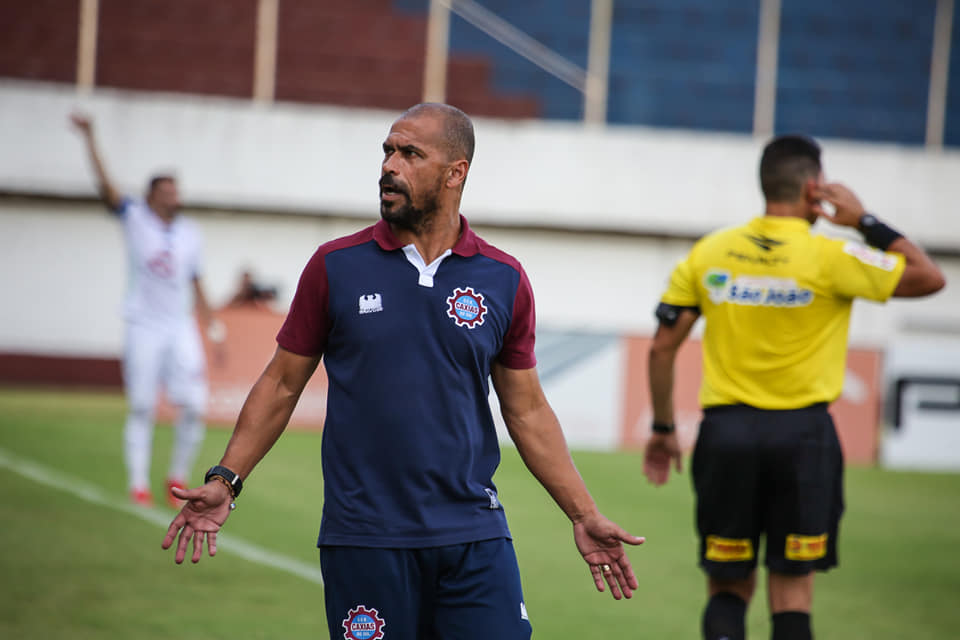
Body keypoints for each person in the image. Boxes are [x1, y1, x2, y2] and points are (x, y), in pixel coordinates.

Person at [161, 103, 644, 638]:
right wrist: (227, 479)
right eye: (388, 151)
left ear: (455, 172)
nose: (390, 165)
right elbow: (281, 383)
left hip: (473, 535)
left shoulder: (504, 278)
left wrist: (582, 514)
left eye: (410, 153)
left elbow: (526, 409)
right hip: (366, 538)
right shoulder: (335, 266)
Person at [643, 134, 945, 640]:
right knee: (792, 590)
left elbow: (661, 348)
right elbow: (929, 277)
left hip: (727, 436)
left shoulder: (711, 252)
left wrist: (663, 426)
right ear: (814, 190)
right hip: (804, 438)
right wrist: (865, 221)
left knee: (727, 587)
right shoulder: (833, 256)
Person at [70, 113, 224, 508]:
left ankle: (176, 475)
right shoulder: (135, 217)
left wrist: (212, 324)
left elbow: (195, 279)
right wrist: (90, 137)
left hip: (179, 326)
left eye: (177, 190)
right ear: (153, 195)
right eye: (168, 190)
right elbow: (106, 187)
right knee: (142, 407)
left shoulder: (190, 232)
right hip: (143, 323)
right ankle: (137, 483)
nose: (176, 196)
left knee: (193, 404)